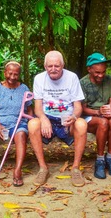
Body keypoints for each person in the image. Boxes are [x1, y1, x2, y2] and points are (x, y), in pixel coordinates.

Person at [28, 50, 87, 187]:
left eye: (57, 66)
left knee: (82, 124)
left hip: (66, 118)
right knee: (32, 124)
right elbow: (37, 108)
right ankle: (43, 168)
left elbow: (78, 107)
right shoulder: (39, 78)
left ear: (63, 66)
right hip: (47, 117)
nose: (53, 69)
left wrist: (73, 117)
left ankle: (75, 168)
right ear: (45, 66)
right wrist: (43, 118)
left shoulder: (72, 77)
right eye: (50, 66)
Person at [0, 61, 33, 186]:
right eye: (9, 73)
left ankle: (17, 170)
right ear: (4, 73)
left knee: (21, 135)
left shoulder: (24, 88)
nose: (12, 77)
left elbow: (29, 108)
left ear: (19, 75)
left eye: (15, 74)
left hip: (18, 122)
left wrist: (29, 121)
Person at [80, 52, 111, 179]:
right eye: (97, 72)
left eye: (103, 72)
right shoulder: (83, 83)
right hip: (89, 115)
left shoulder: (109, 79)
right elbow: (82, 108)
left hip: (104, 114)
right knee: (103, 123)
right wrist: (98, 112)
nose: (101, 75)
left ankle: (110, 157)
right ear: (89, 69)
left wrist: (109, 109)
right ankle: (100, 160)